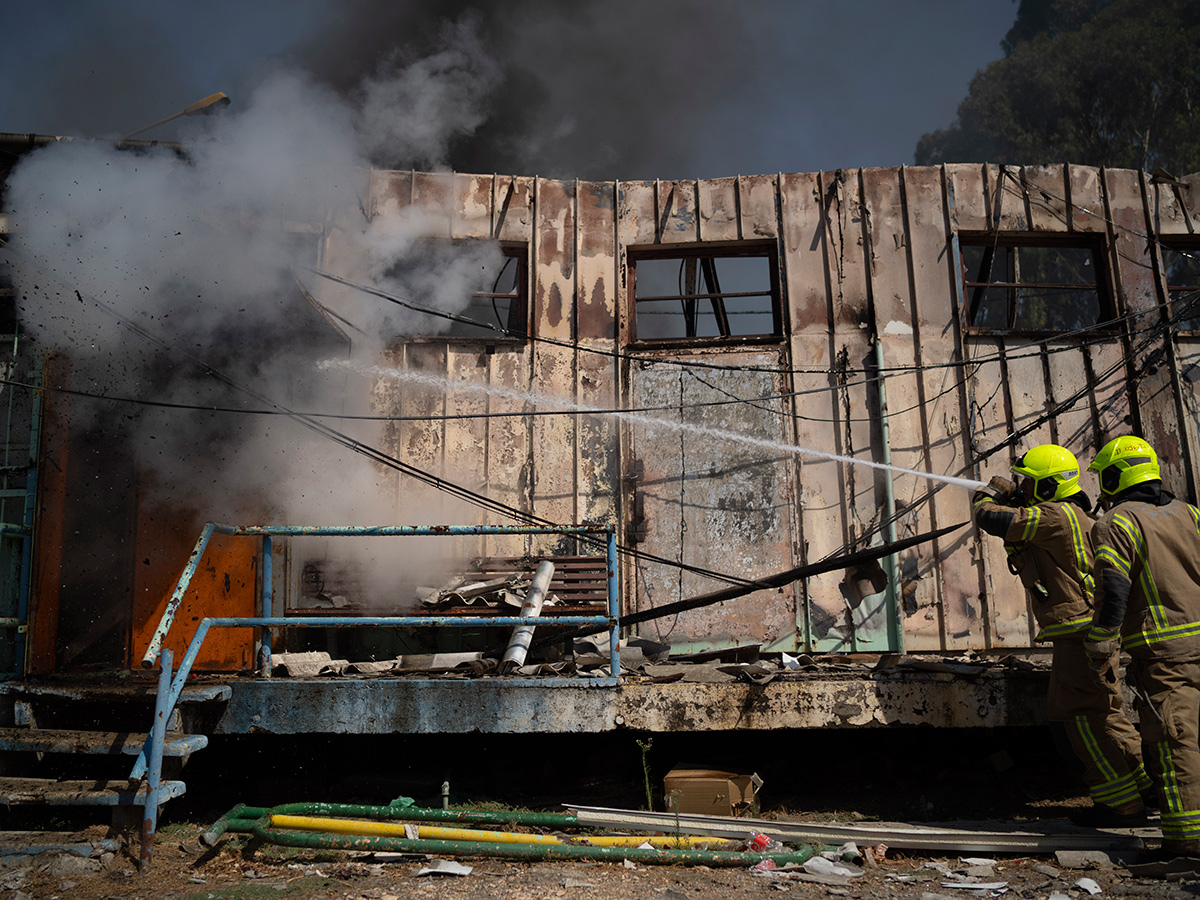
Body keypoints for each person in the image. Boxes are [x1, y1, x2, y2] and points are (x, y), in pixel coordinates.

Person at [974, 443, 1152, 825]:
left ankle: (1120, 804)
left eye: (1029, 483)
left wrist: (988, 494)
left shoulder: (1056, 515)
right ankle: (1145, 787)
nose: (1023, 488)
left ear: (1050, 486)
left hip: (1079, 633)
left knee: (1082, 717)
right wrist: (1016, 495)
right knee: (1106, 713)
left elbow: (991, 518)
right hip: (1083, 632)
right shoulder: (1070, 514)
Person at [1086, 435, 1200, 856]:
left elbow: (1114, 588)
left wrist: (1101, 642)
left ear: (1115, 477)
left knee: (1176, 741)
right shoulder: (1190, 513)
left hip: (1166, 655)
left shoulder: (1117, 522)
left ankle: (1188, 841)